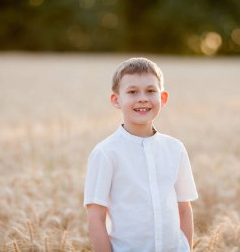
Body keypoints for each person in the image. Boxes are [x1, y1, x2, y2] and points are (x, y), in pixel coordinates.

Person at [83, 57, 198, 252]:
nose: (142, 98)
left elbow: (184, 208)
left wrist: (186, 247)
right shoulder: (105, 153)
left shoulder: (175, 149)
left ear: (163, 98)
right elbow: (96, 217)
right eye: (132, 92)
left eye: (151, 91)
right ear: (116, 100)